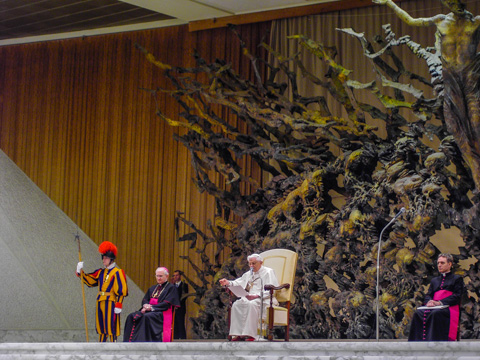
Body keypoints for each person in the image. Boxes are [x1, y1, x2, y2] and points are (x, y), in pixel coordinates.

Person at [373, 0, 480, 190]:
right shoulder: (440, 20)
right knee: (456, 127)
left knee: (476, 123)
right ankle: (477, 173)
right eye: (450, 1)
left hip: (470, 78)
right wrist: (389, 2)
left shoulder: (475, 22)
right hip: (451, 81)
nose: (454, 4)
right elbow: (411, 20)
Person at [76, 241, 128, 342]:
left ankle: (113, 345)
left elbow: (121, 290)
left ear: (111, 259)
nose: (103, 260)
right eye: (103, 258)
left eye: (106, 258)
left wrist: (119, 304)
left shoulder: (117, 272)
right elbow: (90, 281)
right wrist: (80, 272)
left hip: (111, 301)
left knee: (111, 326)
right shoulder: (101, 272)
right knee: (101, 326)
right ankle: (101, 345)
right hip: (100, 300)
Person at [219, 253, 279, 341]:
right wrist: (228, 283)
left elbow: (272, 289)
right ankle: (238, 334)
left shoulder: (268, 272)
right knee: (237, 304)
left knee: (252, 304)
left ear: (260, 263)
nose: (251, 266)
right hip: (250, 297)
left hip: (264, 298)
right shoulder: (249, 274)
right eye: (250, 264)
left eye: (254, 263)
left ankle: (252, 335)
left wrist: (257, 295)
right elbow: (238, 282)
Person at [408, 253, 464, 341]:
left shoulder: (457, 279)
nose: (439, 265)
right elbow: (429, 294)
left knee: (435, 314)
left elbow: (457, 296)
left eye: (442, 263)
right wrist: (429, 301)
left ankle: (434, 342)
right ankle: (417, 343)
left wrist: (439, 302)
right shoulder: (435, 280)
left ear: (449, 264)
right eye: (438, 263)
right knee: (417, 314)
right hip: (434, 306)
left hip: (449, 307)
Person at [123, 267, 180, 342]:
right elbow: (145, 299)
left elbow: (166, 304)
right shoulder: (153, 288)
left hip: (161, 313)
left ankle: (143, 342)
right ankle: (130, 342)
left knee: (146, 317)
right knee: (131, 316)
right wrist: (145, 306)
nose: (158, 278)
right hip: (149, 311)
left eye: (161, 276)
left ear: (167, 276)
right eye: (157, 276)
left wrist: (152, 308)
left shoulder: (171, 288)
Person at [172, 270, 189, 339]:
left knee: (181, 323)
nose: (175, 277)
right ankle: (175, 337)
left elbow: (184, 296)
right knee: (174, 323)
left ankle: (182, 338)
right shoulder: (172, 286)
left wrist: (178, 304)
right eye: (174, 275)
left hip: (181, 307)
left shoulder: (184, 285)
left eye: (177, 275)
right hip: (173, 308)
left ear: (180, 276)